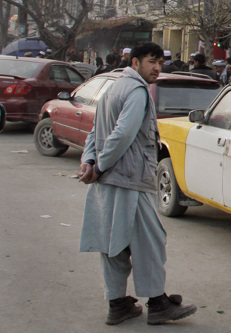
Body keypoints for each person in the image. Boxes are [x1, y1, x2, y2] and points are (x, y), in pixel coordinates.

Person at [77, 42, 197, 325]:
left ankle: (117, 304)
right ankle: (157, 304)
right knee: (150, 242)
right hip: (130, 180)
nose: (157, 68)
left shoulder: (113, 89)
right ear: (135, 63)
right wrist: (99, 165)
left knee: (113, 245)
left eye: (160, 62)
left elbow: (95, 132)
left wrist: (91, 161)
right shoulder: (137, 91)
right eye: (151, 62)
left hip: (109, 181)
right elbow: (122, 134)